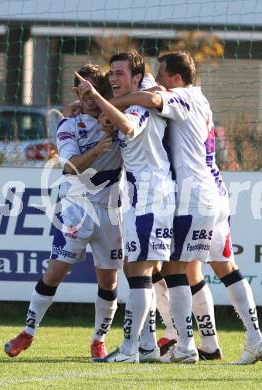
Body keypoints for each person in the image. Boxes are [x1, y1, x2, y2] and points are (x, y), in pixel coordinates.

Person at [109, 51, 262, 365]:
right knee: (221, 267)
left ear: (177, 77)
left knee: (172, 269)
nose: (159, 80)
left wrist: (113, 103)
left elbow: (154, 101)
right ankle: (240, 339)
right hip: (216, 193)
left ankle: (185, 346)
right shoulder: (201, 98)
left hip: (192, 196)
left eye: (162, 74)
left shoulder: (180, 97)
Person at [4, 64, 124, 360]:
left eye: (94, 90)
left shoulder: (119, 119)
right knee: (56, 270)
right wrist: (97, 150)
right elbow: (69, 167)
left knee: (108, 281)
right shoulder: (69, 124)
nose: (89, 97)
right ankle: (28, 331)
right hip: (77, 206)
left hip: (111, 208)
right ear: (76, 91)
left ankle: (99, 339)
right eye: (83, 91)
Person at [75, 49, 182, 363]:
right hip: (140, 197)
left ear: (137, 77)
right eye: (111, 74)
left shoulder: (139, 105)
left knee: (139, 270)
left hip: (151, 197)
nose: (113, 79)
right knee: (136, 270)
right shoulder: (136, 95)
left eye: (120, 73)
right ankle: (146, 346)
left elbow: (127, 125)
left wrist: (102, 99)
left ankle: (131, 348)